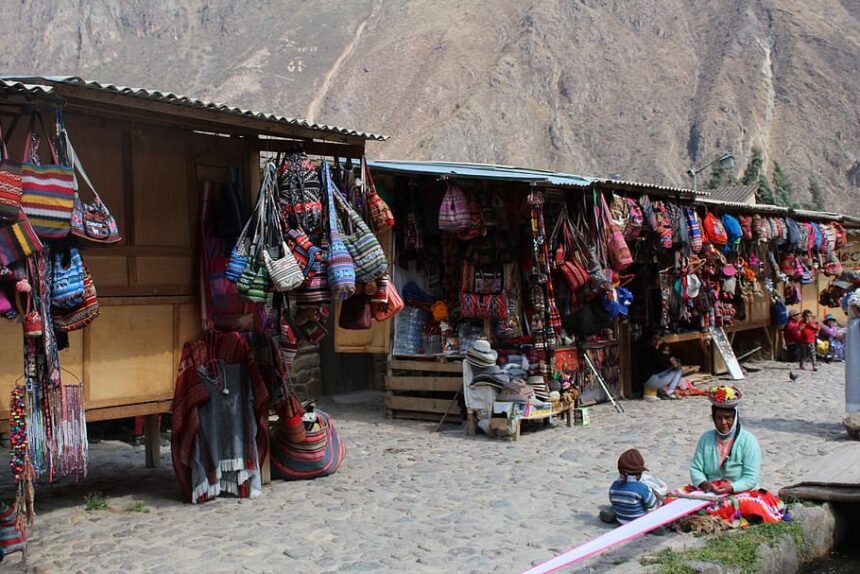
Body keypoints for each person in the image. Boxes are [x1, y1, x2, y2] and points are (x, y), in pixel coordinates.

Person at [684, 386, 783, 527]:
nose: (723, 423)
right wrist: (705, 484)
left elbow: (750, 478)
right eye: (719, 418)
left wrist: (730, 488)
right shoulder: (705, 439)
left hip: (739, 492)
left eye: (728, 418)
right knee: (673, 499)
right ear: (713, 418)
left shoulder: (748, 441)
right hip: (709, 491)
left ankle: (717, 512)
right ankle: (720, 512)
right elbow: (695, 468)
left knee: (751, 505)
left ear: (735, 417)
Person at [599, 448, 668, 535]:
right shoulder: (641, 488)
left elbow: (613, 501)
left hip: (621, 519)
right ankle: (652, 527)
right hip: (638, 521)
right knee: (656, 510)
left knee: (617, 506)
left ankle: (613, 516)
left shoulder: (614, 485)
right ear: (639, 474)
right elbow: (651, 504)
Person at [639, 330, 682, 400]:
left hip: (644, 381)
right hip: (650, 381)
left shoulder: (643, 349)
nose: (656, 342)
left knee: (669, 371)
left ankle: (662, 391)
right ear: (650, 339)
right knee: (678, 371)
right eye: (655, 339)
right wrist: (671, 362)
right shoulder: (652, 350)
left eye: (658, 340)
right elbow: (663, 366)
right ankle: (670, 392)